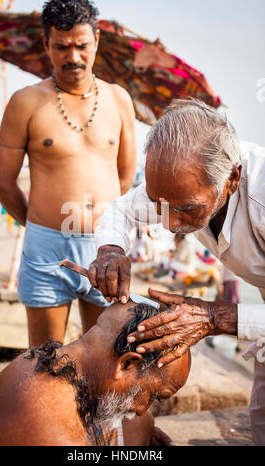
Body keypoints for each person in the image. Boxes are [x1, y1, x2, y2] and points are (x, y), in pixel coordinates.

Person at [89, 98, 265, 445]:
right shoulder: (180, 186)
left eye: (185, 209)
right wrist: (111, 249)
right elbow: (119, 212)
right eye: (159, 205)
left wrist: (213, 317)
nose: (169, 224)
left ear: (232, 179)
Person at [0, 0, 136, 347]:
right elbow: (1, 183)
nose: (73, 56)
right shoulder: (25, 102)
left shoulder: (118, 100)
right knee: (45, 363)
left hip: (106, 247)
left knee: (105, 361)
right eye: (62, 46)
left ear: (96, 40)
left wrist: (106, 231)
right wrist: (41, 226)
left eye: (82, 45)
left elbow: (125, 180)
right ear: (46, 44)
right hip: (47, 249)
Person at [0, 302, 190, 446]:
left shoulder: (40, 361)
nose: (142, 409)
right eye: (150, 395)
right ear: (126, 364)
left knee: (137, 425)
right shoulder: (54, 434)